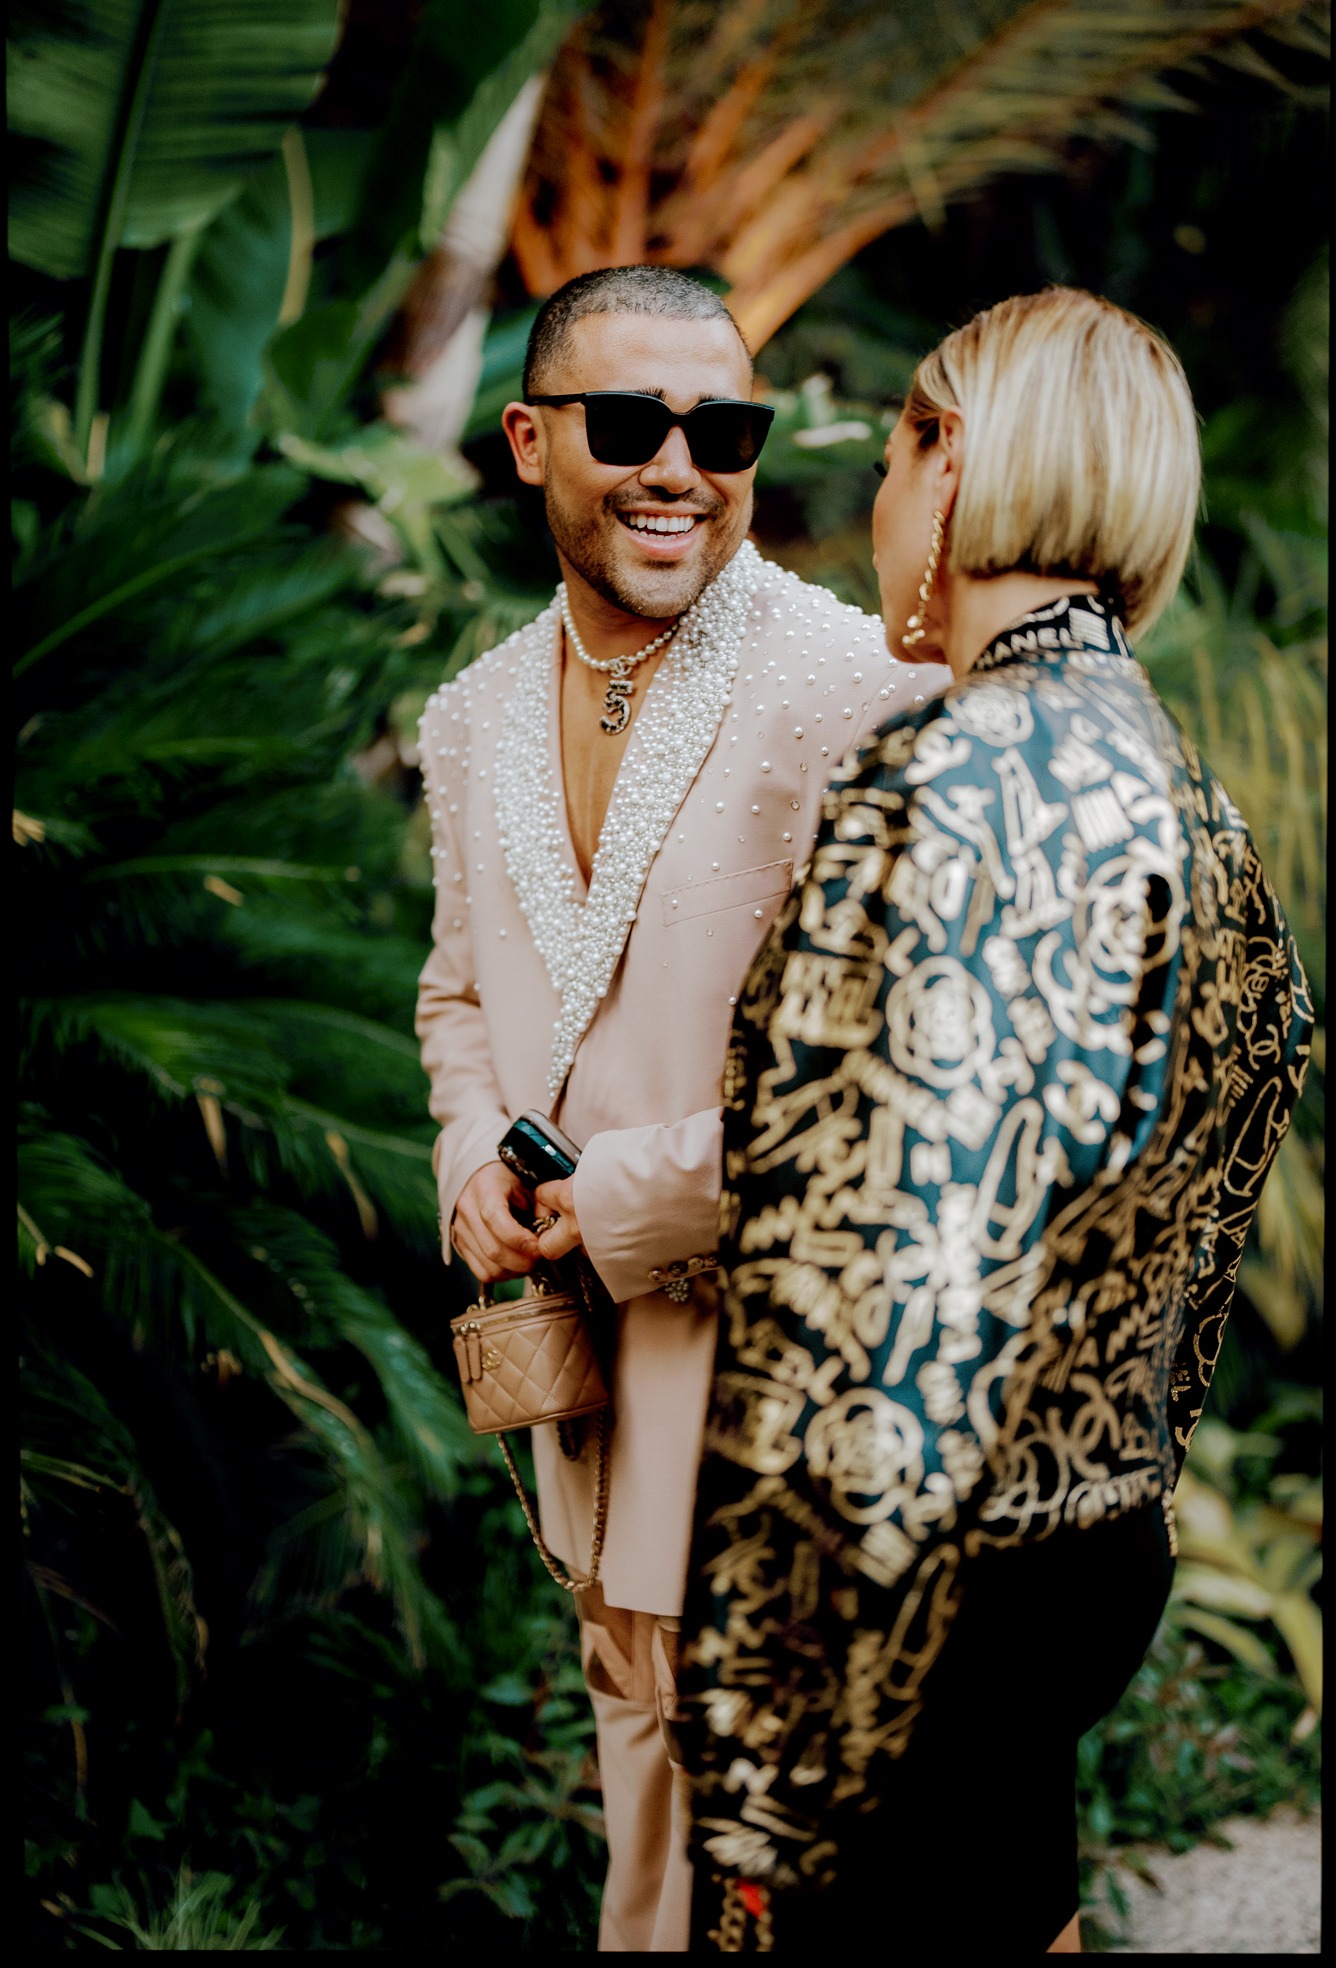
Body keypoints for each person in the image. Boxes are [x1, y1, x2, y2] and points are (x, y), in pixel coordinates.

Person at [675, 287, 1313, 1955]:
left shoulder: (939, 786)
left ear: (947, 458)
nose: (883, 501)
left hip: (916, 1598)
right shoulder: (1193, 801)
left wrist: (761, 1757)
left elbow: (864, 1308)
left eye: (896, 454)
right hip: (1093, 1550)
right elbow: (1217, 1201)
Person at [414, 264, 949, 1952]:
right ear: (527, 439)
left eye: (722, 430)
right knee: (639, 1779)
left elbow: (901, 1070)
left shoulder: (852, 687)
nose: (679, 468)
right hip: (578, 1393)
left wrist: (624, 1200)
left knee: (777, 1858)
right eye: (632, 423)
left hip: (784, 1387)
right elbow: (457, 998)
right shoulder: (470, 718)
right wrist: (469, 1160)